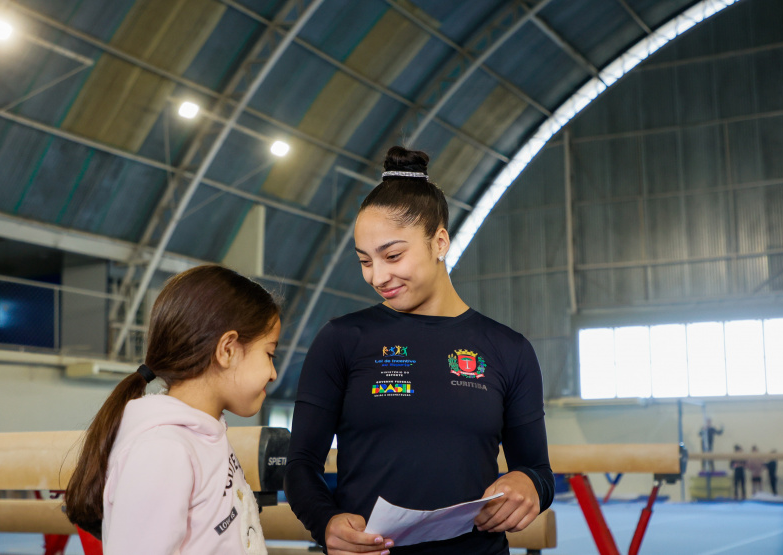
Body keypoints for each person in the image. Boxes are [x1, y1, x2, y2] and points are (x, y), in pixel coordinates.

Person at [285, 146, 554, 555]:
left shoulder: (507, 349)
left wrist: (528, 485)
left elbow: (538, 470)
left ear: (439, 241)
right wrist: (326, 522)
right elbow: (301, 463)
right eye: (365, 261)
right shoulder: (343, 339)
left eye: (392, 255)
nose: (377, 276)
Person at [64, 265, 281, 555]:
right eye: (269, 354)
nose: (274, 373)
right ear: (227, 349)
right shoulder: (162, 451)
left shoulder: (204, 434)